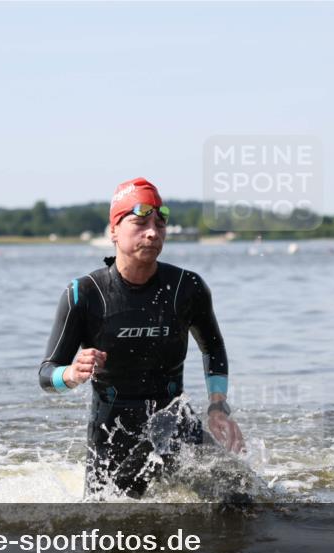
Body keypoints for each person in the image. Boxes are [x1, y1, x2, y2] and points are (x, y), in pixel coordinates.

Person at [39, 177, 246, 499]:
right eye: (139, 223)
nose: (152, 232)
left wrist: (218, 407)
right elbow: (46, 375)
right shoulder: (84, 294)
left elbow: (213, 347)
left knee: (241, 497)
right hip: (112, 431)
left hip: (175, 421)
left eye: (160, 224)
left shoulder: (186, 287)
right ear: (113, 231)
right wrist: (71, 373)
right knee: (109, 529)